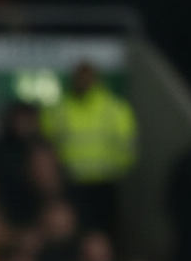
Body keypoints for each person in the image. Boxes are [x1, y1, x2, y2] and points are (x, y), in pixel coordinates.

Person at [41, 62, 137, 234]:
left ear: (96, 79)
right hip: (70, 185)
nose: (83, 80)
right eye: (79, 76)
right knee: (74, 233)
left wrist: (117, 170)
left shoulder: (116, 109)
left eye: (87, 76)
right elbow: (45, 148)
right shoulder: (58, 110)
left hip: (106, 185)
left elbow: (127, 147)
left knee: (107, 233)